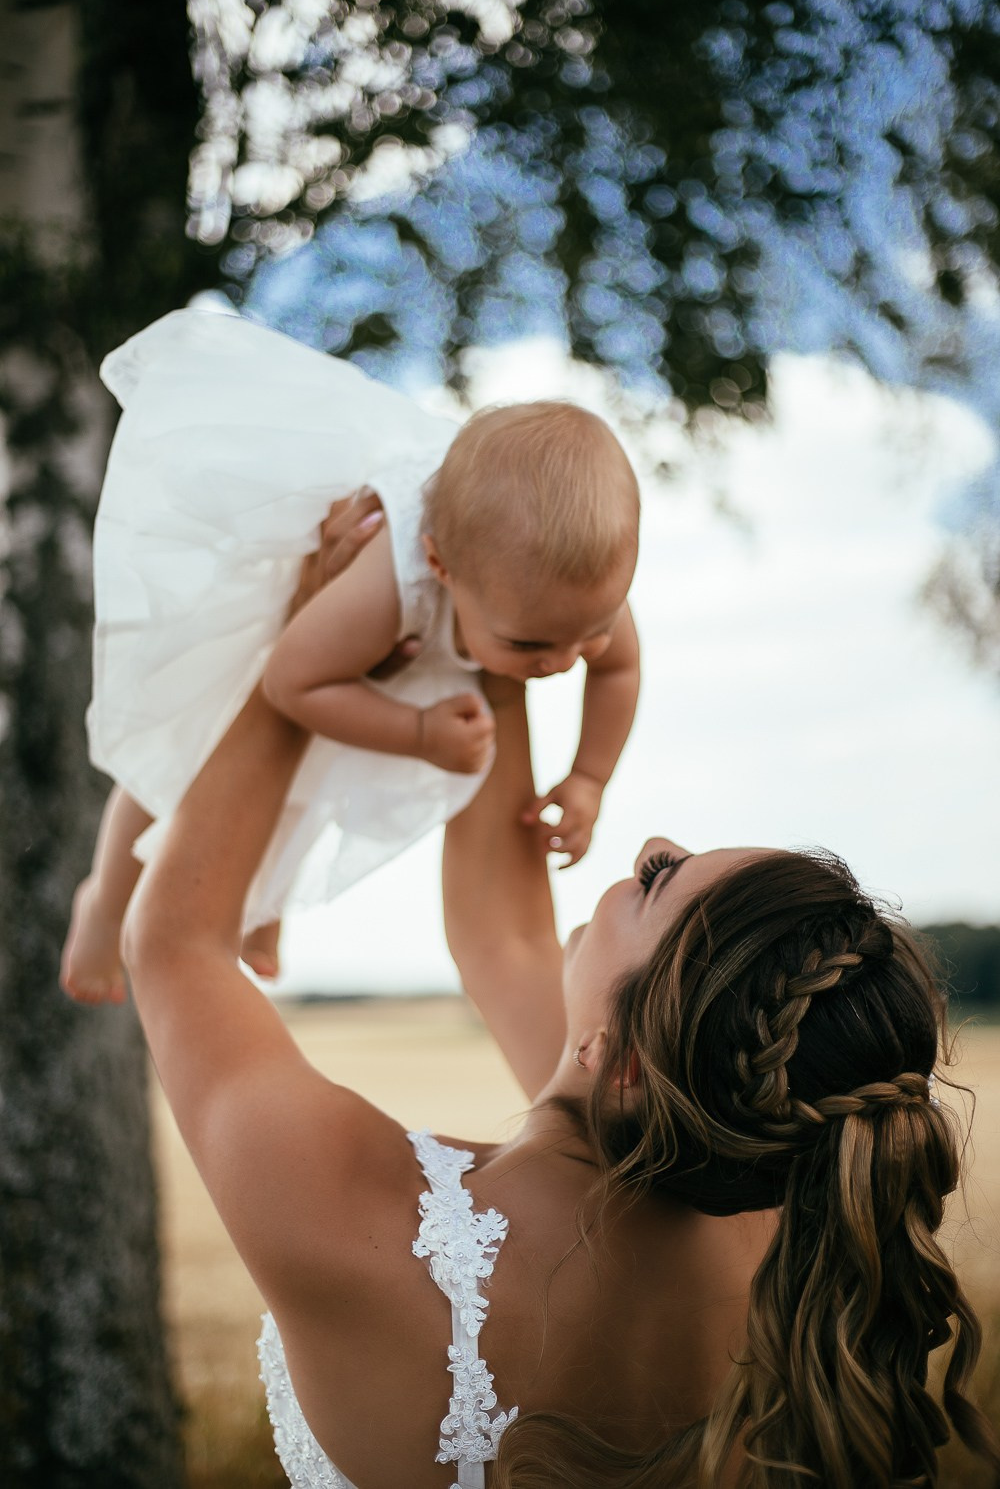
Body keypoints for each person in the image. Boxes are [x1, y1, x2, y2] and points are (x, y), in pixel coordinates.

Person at [121, 500, 999, 1489]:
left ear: (619, 1057)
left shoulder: (357, 1215)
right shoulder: (764, 1207)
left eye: (663, 880)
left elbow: (174, 945)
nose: (649, 844)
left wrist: (302, 647)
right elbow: (497, 936)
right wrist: (486, 626)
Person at [61, 308, 640, 1004]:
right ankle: (103, 903)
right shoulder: (392, 578)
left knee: (325, 778)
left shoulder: (574, 587)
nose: (564, 662)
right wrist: (418, 733)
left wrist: (588, 779)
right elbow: (290, 683)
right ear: (441, 566)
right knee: (186, 760)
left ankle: (257, 912)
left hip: (371, 653)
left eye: (590, 632)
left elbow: (619, 669)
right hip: (291, 635)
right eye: (530, 645)